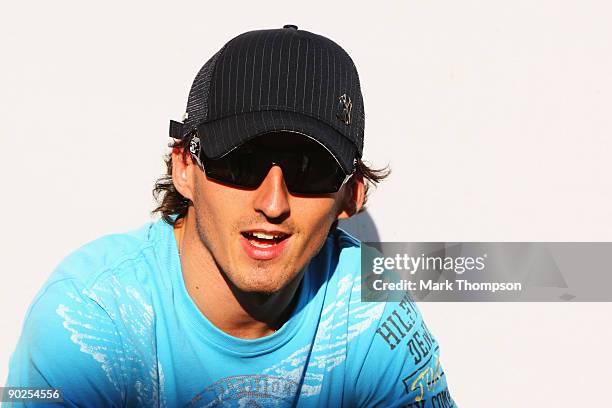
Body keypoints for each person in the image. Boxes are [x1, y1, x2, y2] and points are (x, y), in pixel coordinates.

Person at [6, 25, 456, 407]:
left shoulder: (369, 308)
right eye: (241, 162)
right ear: (184, 168)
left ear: (351, 196)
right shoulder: (94, 311)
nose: (273, 203)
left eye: (309, 170)